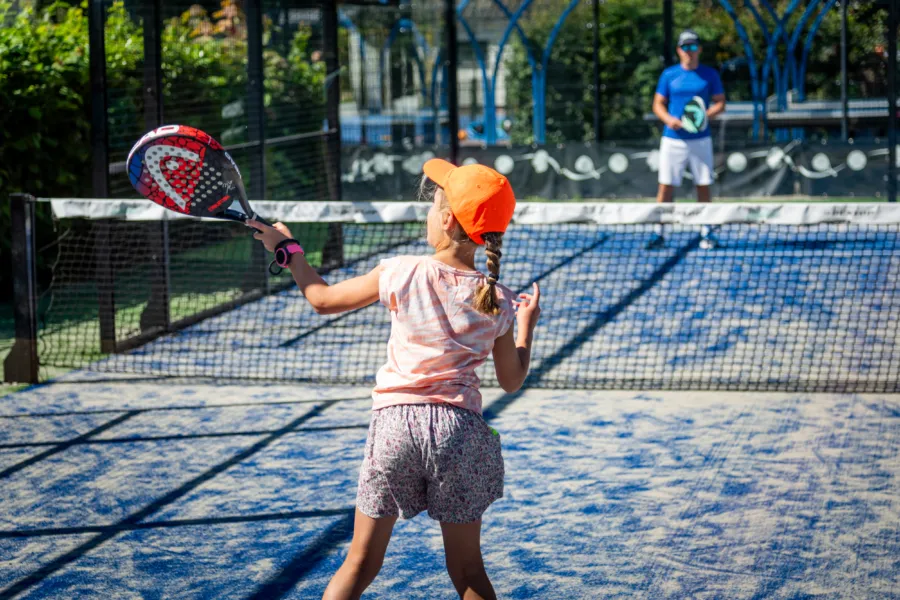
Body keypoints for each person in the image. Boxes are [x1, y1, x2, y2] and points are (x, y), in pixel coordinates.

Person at [249, 159, 542, 600]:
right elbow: (511, 380)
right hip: (460, 435)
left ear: (445, 220)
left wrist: (289, 250)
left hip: (394, 429)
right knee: (467, 571)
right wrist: (526, 326)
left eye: (432, 206)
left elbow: (323, 299)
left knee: (360, 562)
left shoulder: (401, 270)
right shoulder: (497, 300)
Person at [650, 29, 726, 249]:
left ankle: (707, 232)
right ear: (679, 50)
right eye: (685, 47)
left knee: (703, 185)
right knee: (666, 187)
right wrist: (668, 119)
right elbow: (657, 104)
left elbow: (720, 103)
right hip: (672, 139)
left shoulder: (709, 74)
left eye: (693, 47)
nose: (689, 51)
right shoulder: (669, 75)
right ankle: (660, 233)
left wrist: (703, 117)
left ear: (699, 49)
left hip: (701, 140)